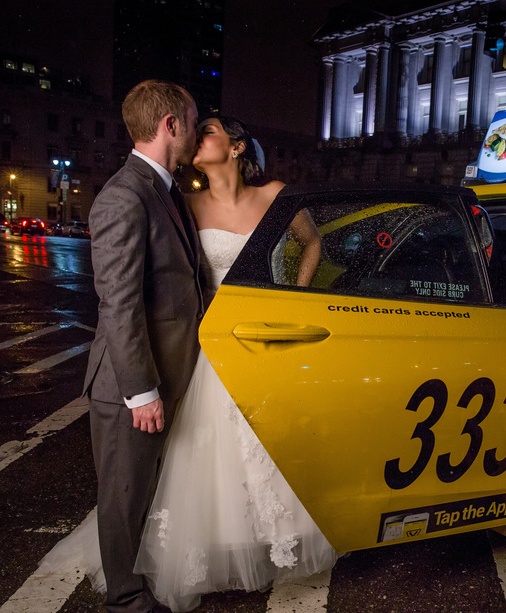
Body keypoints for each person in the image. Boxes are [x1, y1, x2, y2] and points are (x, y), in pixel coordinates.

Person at [132, 115, 329, 611]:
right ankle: (211, 549)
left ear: (238, 147)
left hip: (266, 338)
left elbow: (313, 241)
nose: (197, 140)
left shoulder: (276, 195)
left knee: (267, 439)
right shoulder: (187, 204)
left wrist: (296, 297)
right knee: (211, 444)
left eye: (209, 132)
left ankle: (272, 539)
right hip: (212, 342)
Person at [82, 79, 204, 612]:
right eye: (193, 122)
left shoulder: (165, 189)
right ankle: (126, 602)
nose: (197, 133)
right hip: (131, 385)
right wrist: (141, 391)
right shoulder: (124, 195)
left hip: (169, 372)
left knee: (146, 491)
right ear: (171, 125)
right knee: (123, 498)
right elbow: (119, 303)